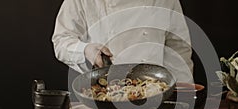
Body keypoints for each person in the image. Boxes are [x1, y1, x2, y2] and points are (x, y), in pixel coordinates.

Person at [52, 0, 194, 83]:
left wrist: (183, 97)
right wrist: (85, 49)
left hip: (156, 94)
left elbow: (178, 49)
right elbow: (61, 40)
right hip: (103, 95)